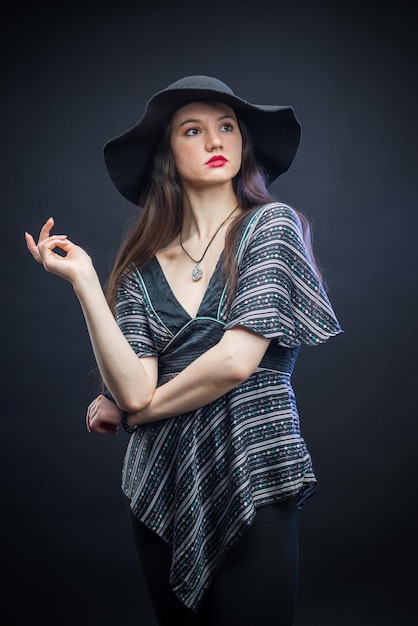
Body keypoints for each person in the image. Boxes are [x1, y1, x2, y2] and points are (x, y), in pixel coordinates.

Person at [25, 75, 342, 625]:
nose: (216, 141)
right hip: (161, 483)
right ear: (167, 153)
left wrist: (133, 411)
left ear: (243, 144)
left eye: (227, 127)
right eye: (193, 131)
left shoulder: (271, 226)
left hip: (253, 468)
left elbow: (235, 362)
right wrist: (84, 280)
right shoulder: (141, 268)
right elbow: (132, 383)